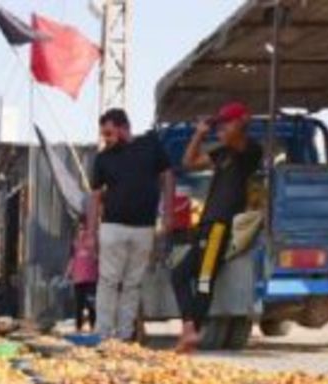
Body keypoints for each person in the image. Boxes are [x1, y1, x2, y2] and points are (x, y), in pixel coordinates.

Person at [173, 101, 264, 352]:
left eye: (226, 123)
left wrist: (223, 128)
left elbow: (238, 142)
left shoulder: (250, 151)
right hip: (207, 224)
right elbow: (189, 162)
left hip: (222, 226)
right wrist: (199, 134)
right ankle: (190, 328)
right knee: (179, 273)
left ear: (241, 123)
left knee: (204, 280)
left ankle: (191, 331)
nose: (221, 128)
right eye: (220, 124)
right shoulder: (222, 153)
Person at [89, 108, 172, 341]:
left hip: (144, 227)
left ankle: (125, 335)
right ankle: (103, 334)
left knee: (133, 283)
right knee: (108, 281)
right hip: (112, 227)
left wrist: (168, 213)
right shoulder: (103, 158)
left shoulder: (150, 144)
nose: (106, 138)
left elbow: (168, 176)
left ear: (124, 127)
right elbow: (95, 196)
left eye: (109, 133)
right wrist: (91, 232)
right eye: (103, 134)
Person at [69, 213, 98, 333]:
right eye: (81, 229)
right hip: (78, 279)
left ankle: (93, 326)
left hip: (91, 279)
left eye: (85, 229)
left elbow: (98, 257)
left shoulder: (94, 242)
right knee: (78, 305)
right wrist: (69, 272)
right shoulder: (75, 243)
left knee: (91, 304)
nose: (83, 232)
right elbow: (72, 258)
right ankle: (78, 327)